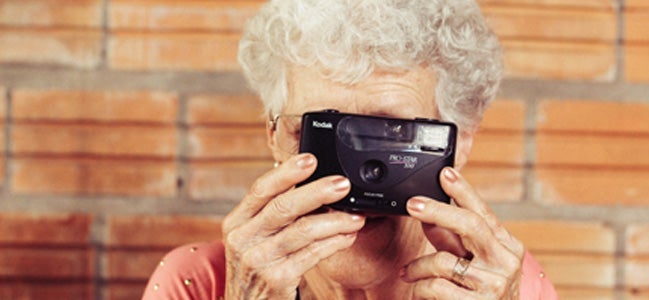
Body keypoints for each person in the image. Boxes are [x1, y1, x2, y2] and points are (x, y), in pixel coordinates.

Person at [143, 0, 558, 299]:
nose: (348, 184)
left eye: (391, 135)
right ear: (274, 135)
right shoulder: (198, 283)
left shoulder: (507, 287)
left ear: (459, 141)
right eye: (318, 134)